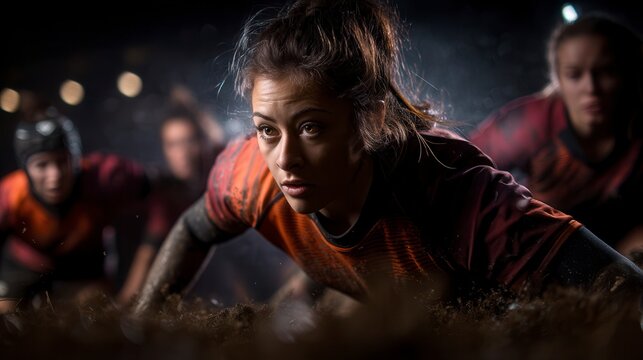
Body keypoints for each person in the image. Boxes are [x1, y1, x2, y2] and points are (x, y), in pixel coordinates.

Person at [134, 0, 643, 316]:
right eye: (267, 129)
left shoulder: (463, 204)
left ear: (372, 121)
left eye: (311, 127)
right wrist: (139, 325)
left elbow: (624, 288)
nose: (284, 159)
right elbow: (193, 229)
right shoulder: (249, 172)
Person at [469, 15, 643, 258]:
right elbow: (461, 172)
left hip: (612, 252)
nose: (590, 88)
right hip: (536, 249)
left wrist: (622, 266)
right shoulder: (532, 122)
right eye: (574, 75)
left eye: (606, 72)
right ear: (558, 80)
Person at [0, 106, 152, 313]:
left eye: (62, 161)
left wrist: (136, 281)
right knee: (5, 317)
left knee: (95, 318)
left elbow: (161, 195)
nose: (55, 176)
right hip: (24, 265)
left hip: (86, 266)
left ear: (76, 158)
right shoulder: (9, 194)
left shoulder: (106, 176)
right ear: (25, 168)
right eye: (42, 165)